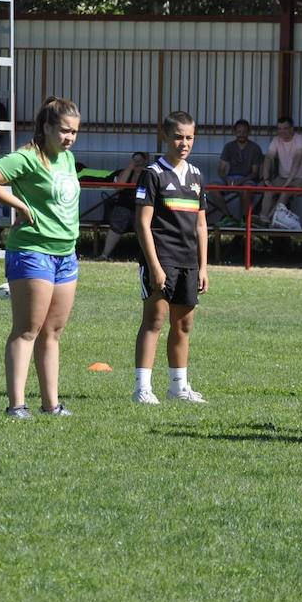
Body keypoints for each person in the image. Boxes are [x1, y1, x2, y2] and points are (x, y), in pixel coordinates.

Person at [0, 96, 82, 419]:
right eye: (64, 131)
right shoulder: (27, 157)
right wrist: (19, 206)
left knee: (52, 333)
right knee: (27, 330)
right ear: (47, 127)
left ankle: (52, 405)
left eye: (75, 132)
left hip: (65, 254)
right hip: (32, 251)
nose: (70, 138)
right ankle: (16, 405)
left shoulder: (66, 158)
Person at [132, 111, 209, 405]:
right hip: (161, 260)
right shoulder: (153, 174)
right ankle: (143, 388)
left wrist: (203, 267)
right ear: (165, 137)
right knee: (154, 320)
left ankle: (178, 386)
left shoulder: (197, 176)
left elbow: (201, 225)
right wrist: (154, 265)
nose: (184, 143)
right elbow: (142, 223)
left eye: (189, 137)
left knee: (183, 325)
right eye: (178, 137)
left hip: (189, 262)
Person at [259, 116, 302, 223]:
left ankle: (272, 219)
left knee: (286, 191)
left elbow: (297, 161)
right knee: (269, 190)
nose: (282, 131)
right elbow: (268, 157)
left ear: (292, 129)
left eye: (285, 128)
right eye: (279, 129)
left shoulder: (300, 139)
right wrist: (266, 179)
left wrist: (288, 183)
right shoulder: (276, 140)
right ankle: (263, 218)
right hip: (282, 178)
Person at [100, 151, 148, 260]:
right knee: (119, 218)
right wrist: (130, 168)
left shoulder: (149, 173)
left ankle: (146, 256)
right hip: (124, 205)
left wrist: (141, 171)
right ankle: (104, 255)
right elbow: (119, 186)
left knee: (142, 223)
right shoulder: (124, 172)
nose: (137, 163)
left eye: (140, 161)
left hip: (142, 206)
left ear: (145, 162)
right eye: (135, 160)